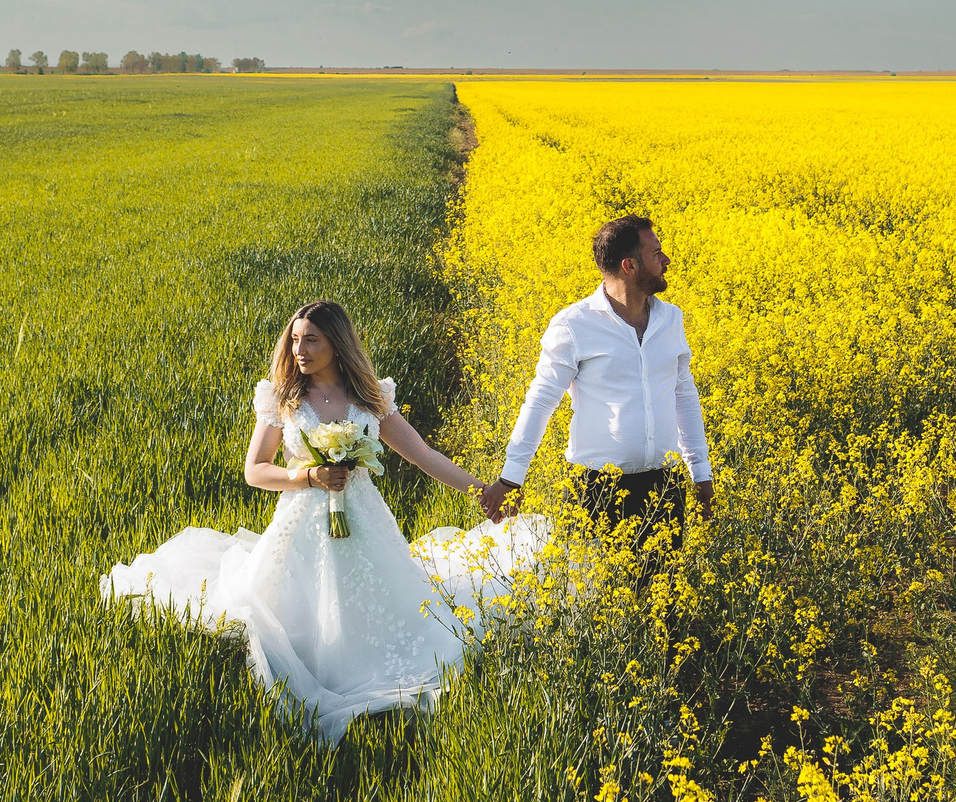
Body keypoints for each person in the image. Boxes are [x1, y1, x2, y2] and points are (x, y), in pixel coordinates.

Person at [101, 300, 546, 746]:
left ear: (337, 343)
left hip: (364, 518)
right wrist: (308, 477)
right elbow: (255, 470)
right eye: (295, 340)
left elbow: (422, 455)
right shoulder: (283, 399)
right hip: (302, 524)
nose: (300, 350)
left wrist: (483, 492)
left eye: (311, 340)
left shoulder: (371, 398)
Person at [480, 214, 713, 531]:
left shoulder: (671, 319)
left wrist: (700, 472)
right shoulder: (574, 325)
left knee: (664, 567)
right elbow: (542, 400)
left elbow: (683, 394)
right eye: (656, 253)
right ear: (630, 266)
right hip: (595, 491)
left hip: (664, 487)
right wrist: (511, 478)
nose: (666, 260)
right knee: (592, 567)